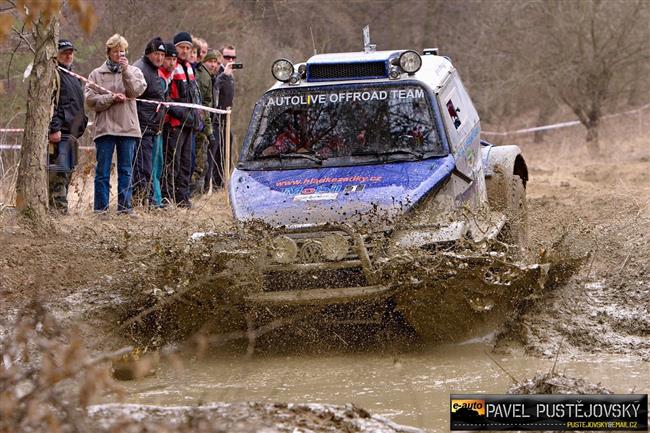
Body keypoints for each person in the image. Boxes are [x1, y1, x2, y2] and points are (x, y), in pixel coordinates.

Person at [85, 34, 147, 214]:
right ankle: (101, 209)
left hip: (128, 128)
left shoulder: (134, 72)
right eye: (115, 52)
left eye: (122, 51)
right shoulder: (96, 74)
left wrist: (126, 71)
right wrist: (110, 98)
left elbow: (136, 91)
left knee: (126, 170)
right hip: (105, 128)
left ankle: (125, 208)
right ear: (108, 53)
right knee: (103, 171)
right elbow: (90, 100)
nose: (119, 55)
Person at [161, 31, 202, 208]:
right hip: (174, 123)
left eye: (187, 47)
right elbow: (166, 98)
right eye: (181, 47)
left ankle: (183, 198)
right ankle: (168, 196)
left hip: (190, 124)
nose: (184, 51)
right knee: (173, 163)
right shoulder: (170, 67)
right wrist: (183, 114)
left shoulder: (190, 68)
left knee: (188, 163)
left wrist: (198, 117)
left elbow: (194, 97)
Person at [48, 39, 88, 213]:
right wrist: (54, 127)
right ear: (56, 54)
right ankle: (58, 212)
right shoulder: (53, 74)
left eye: (71, 52)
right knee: (59, 175)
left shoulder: (73, 76)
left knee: (67, 173)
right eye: (64, 52)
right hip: (60, 134)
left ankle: (60, 210)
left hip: (71, 135)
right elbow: (50, 104)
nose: (68, 55)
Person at [132, 37, 166, 207]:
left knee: (148, 167)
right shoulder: (141, 69)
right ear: (148, 53)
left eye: (162, 54)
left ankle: (148, 200)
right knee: (141, 167)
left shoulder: (153, 70)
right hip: (141, 127)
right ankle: (140, 201)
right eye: (156, 54)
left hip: (151, 127)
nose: (159, 57)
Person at [210, 44, 237, 189]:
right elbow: (215, 89)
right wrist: (224, 75)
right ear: (221, 58)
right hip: (215, 119)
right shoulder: (218, 72)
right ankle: (213, 184)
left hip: (226, 119)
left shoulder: (231, 75)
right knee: (215, 151)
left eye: (233, 57)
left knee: (226, 149)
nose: (230, 60)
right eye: (227, 57)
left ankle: (222, 183)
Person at [191, 48, 217, 196]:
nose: (213, 65)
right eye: (210, 61)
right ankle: (193, 194)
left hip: (202, 124)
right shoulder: (201, 75)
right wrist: (208, 130)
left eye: (215, 62)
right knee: (199, 163)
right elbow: (202, 106)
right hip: (197, 124)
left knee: (202, 163)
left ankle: (197, 194)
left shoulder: (208, 76)